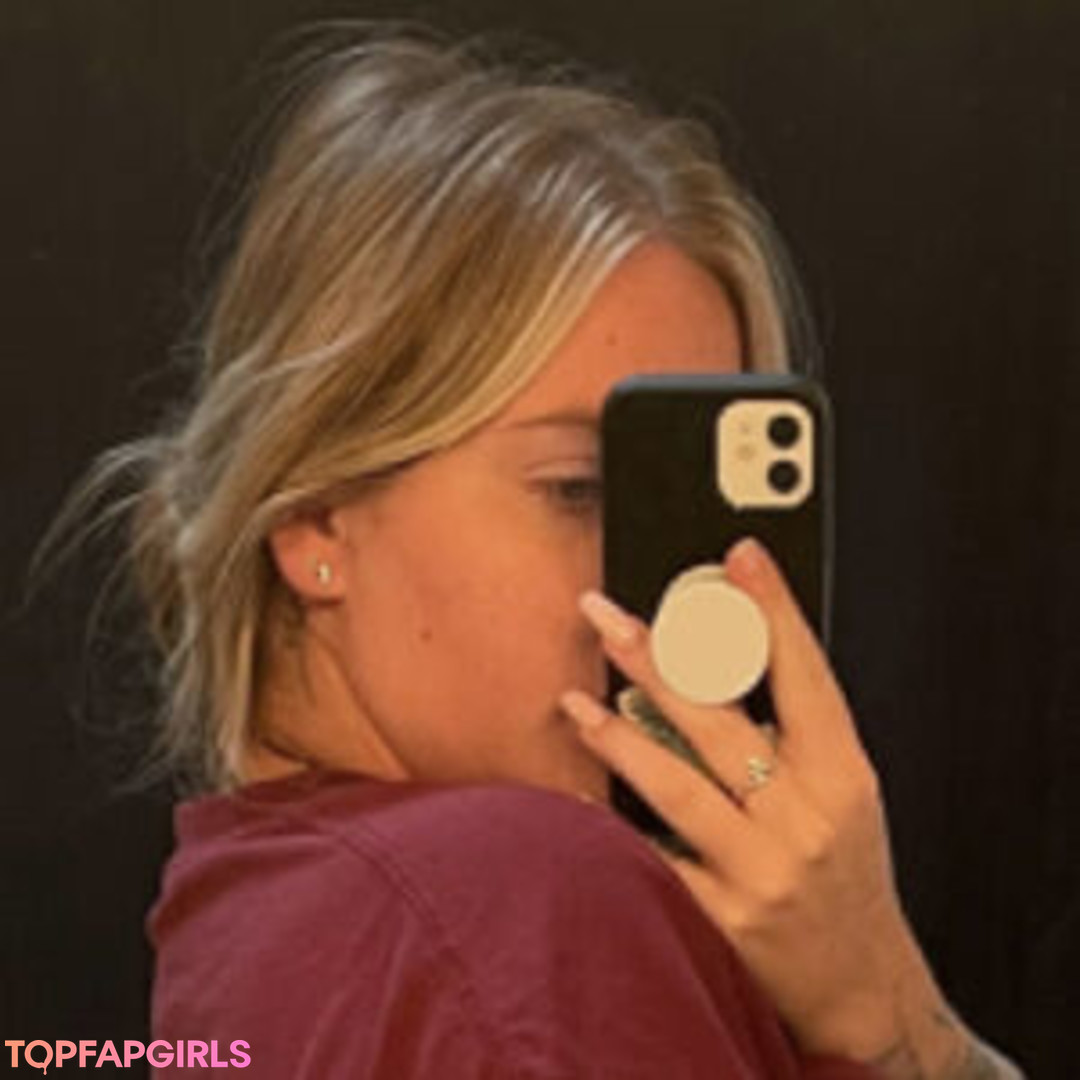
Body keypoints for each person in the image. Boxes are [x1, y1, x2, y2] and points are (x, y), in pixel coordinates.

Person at [33, 23, 1027, 1080]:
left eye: (685, 510)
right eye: (578, 490)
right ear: (314, 515)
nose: (659, 607)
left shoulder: (252, 922)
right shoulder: (528, 907)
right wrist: (887, 1017)